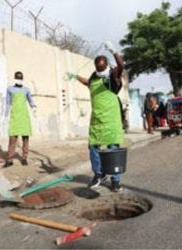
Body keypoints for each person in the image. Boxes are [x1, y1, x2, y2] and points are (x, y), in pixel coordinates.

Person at [68, 41, 124, 192]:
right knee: (93, 147)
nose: (99, 68)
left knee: (113, 148)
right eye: (97, 66)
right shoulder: (94, 77)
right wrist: (75, 76)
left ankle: (116, 180)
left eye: (102, 66)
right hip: (97, 119)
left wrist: (114, 51)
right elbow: (88, 83)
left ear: (106, 65)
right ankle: (99, 174)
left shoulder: (113, 77)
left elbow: (121, 66)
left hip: (111, 120)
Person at [3, 71, 36, 168]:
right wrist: (5, 116)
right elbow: (8, 103)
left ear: (22, 79)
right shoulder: (10, 89)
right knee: (12, 139)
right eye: (17, 78)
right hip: (14, 117)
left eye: (20, 78)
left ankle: (24, 158)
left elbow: (30, 100)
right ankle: (9, 159)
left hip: (24, 116)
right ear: (14, 78)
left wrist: (34, 108)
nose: (19, 79)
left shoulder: (26, 90)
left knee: (25, 139)